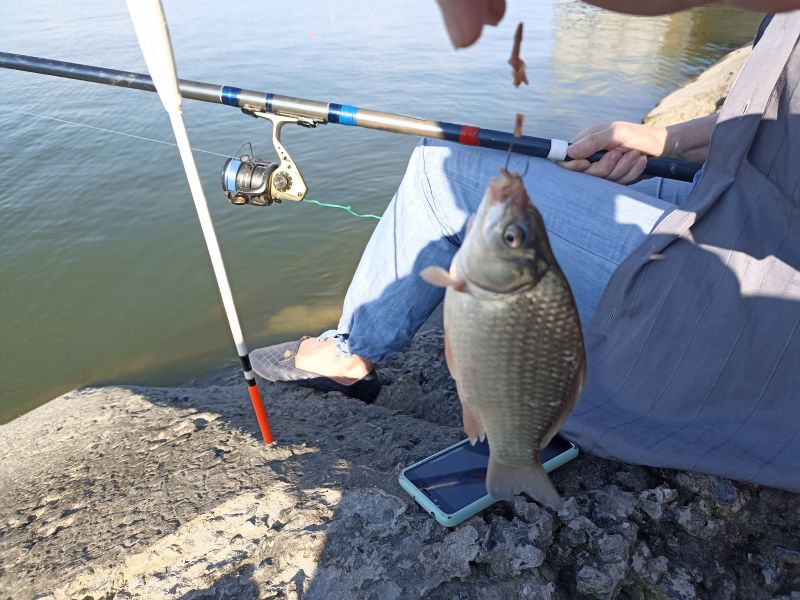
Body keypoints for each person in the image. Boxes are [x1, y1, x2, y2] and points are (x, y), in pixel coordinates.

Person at [252, 1, 800, 493]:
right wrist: (665, 140)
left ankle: (348, 355)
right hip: (742, 203)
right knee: (531, 177)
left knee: (441, 167)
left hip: (748, 275)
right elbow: (779, 125)